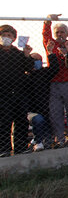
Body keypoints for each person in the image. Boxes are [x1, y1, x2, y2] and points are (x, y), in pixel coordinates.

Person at [42, 14, 68, 147]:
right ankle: (59, 139)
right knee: (55, 113)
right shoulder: (50, 44)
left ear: (67, 33)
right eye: (57, 32)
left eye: (62, 32)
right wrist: (48, 20)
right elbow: (45, 34)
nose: (59, 34)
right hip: (54, 83)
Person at [0, 24, 34, 156]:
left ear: (14, 38)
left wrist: (27, 55)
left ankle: (20, 147)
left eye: (9, 35)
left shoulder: (18, 53)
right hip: (3, 93)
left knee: (21, 120)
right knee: (4, 121)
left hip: (19, 92)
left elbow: (28, 68)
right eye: (3, 35)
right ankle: (4, 149)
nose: (6, 38)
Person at [25, 41, 59, 152]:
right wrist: (25, 54)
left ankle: (44, 142)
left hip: (45, 109)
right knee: (38, 119)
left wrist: (50, 52)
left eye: (39, 60)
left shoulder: (44, 73)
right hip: (30, 111)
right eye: (34, 60)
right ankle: (37, 142)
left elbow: (55, 68)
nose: (37, 62)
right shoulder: (25, 75)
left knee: (48, 143)